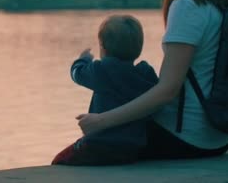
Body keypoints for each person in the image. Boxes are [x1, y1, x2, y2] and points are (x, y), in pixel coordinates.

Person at [76, 0, 228, 159]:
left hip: (187, 137)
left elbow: (167, 91)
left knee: (108, 75)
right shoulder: (226, 2)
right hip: (220, 135)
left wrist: (101, 121)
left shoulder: (188, 6)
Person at [52, 15, 159, 165]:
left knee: (59, 160)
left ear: (103, 47)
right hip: (133, 147)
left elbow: (77, 74)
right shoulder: (145, 73)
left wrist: (83, 59)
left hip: (100, 145)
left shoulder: (102, 70)